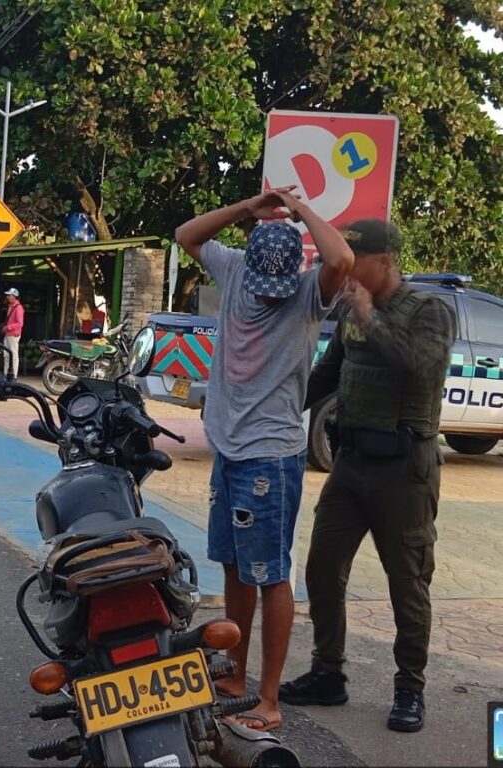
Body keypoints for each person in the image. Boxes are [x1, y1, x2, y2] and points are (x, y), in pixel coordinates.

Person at [174, 185, 353, 731]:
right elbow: (185, 234)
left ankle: (268, 697)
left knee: (271, 575)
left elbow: (341, 257)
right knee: (233, 565)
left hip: (271, 458)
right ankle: (234, 672)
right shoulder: (232, 270)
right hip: (229, 449)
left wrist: (298, 210)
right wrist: (247, 207)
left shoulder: (308, 291)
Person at [279, 220, 456, 733]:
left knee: (408, 584)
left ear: (386, 260)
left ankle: (409, 690)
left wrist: (368, 316)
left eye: (359, 261)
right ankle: (327, 673)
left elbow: (421, 367)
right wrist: (274, 405)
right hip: (350, 465)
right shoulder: (352, 309)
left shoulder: (428, 311)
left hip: (405, 471)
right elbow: (329, 372)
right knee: (322, 570)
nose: (350, 270)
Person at [1, 287, 24, 378]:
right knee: (6, 355)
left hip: (13, 334)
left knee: (14, 355)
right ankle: (6, 374)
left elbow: (20, 323)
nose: (7, 297)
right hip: (8, 334)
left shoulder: (19, 308)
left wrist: (8, 327)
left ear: (14, 296)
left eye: (9, 295)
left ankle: (14, 375)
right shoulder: (10, 306)